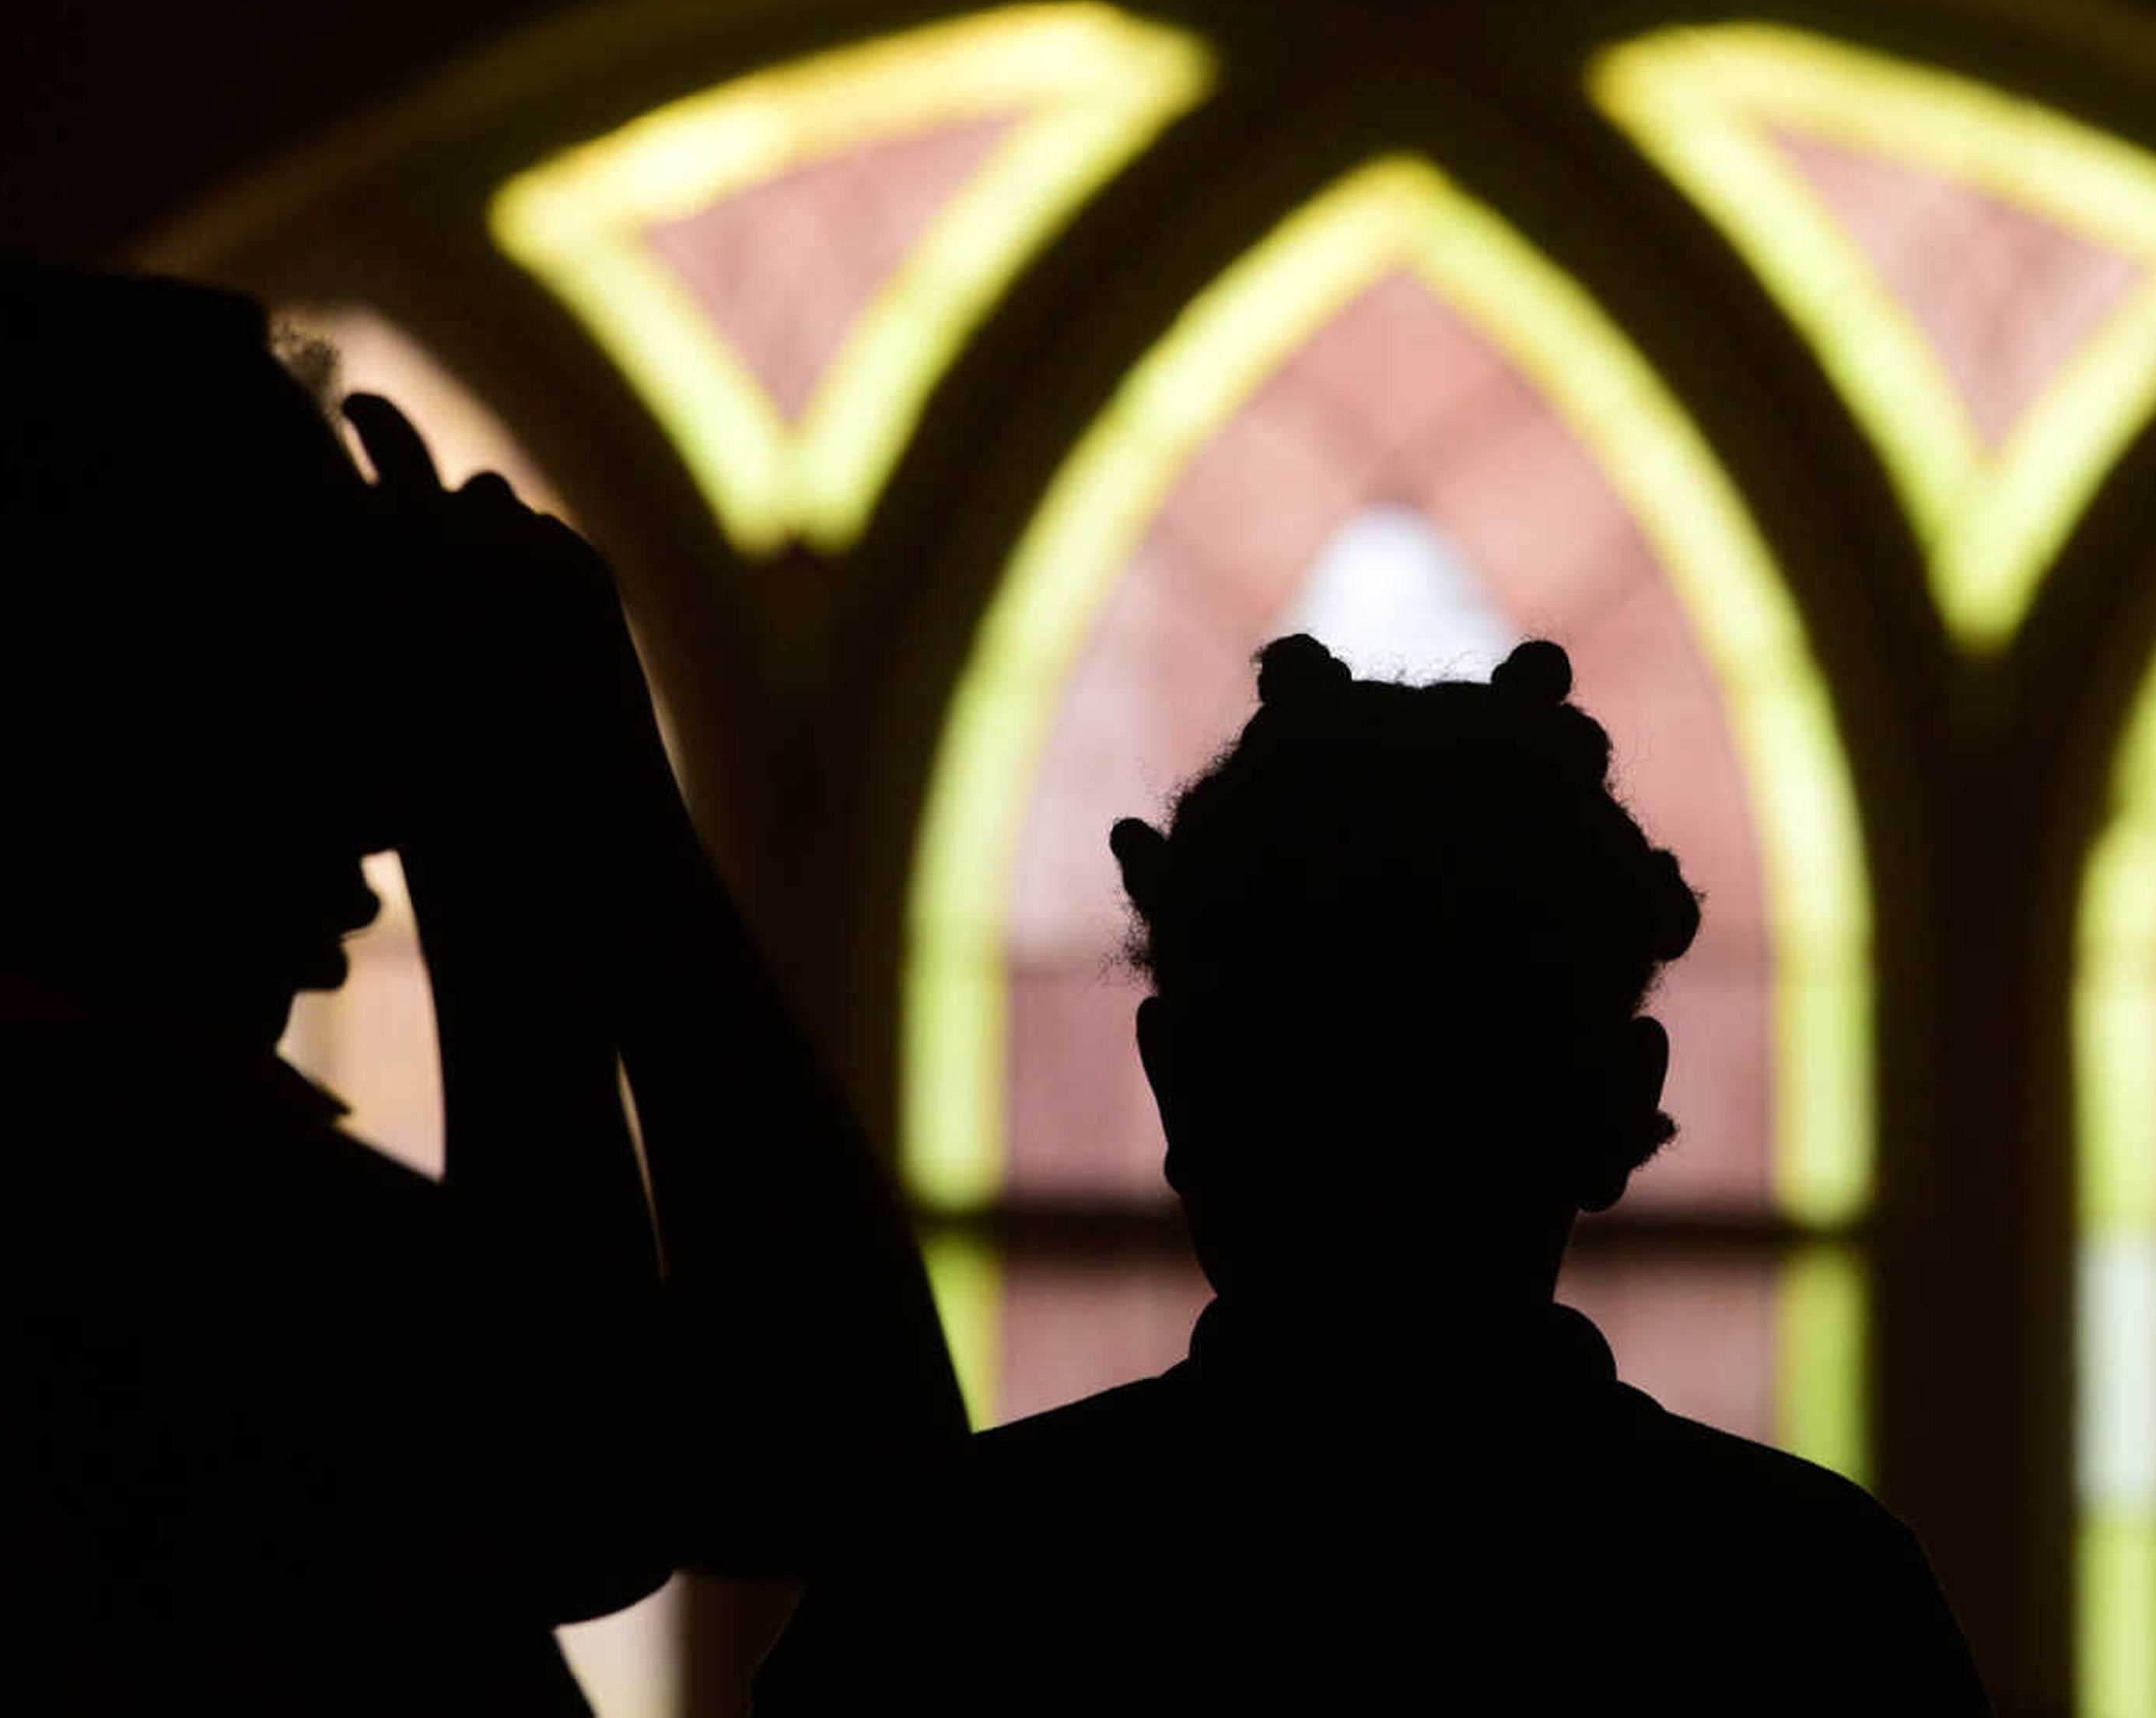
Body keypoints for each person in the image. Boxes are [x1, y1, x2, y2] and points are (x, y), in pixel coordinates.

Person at [0, 261, 963, 1709]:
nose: (362, 784)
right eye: (313, 639)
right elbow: (826, 1468)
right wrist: (562, 798)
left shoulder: (111, 1171)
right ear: (128, 678)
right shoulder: (107, 1196)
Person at [759, 634, 1990, 1706]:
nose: (1384, 1162)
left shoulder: (953, 1591)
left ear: (1176, 1081)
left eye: (1442, 1065)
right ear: (1622, 1103)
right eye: (1332, 1061)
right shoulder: (1810, 1601)